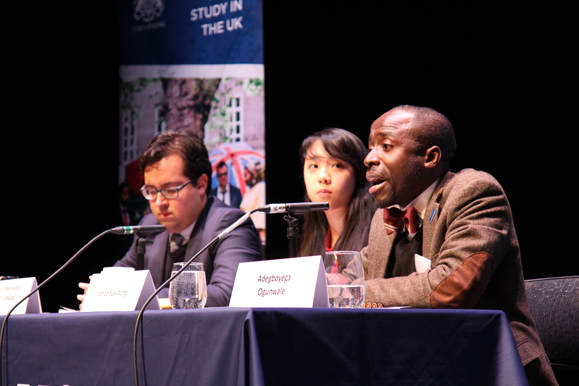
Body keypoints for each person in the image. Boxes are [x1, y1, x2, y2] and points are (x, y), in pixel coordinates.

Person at [361, 105, 557, 385]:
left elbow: (451, 287)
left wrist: (353, 292)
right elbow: (358, 274)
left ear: (430, 157)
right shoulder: (384, 220)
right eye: (370, 148)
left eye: (386, 146)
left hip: (483, 365)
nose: (369, 158)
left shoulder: (474, 192)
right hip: (411, 365)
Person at [79, 131, 261, 307]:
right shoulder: (150, 227)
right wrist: (101, 293)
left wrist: (132, 296)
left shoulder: (231, 225)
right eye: (151, 191)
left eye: (170, 190)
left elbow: (227, 294)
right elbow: (117, 279)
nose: (159, 202)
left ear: (201, 184)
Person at [299, 128, 376, 256]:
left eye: (336, 165)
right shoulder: (313, 237)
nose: (323, 177)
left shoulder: (377, 233)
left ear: (358, 175)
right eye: (314, 166)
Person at [240, 160, 266, 245]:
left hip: (256, 237)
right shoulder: (250, 190)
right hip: (248, 234)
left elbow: (261, 214)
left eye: (246, 175)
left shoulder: (261, 187)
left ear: (254, 175)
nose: (244, 179)